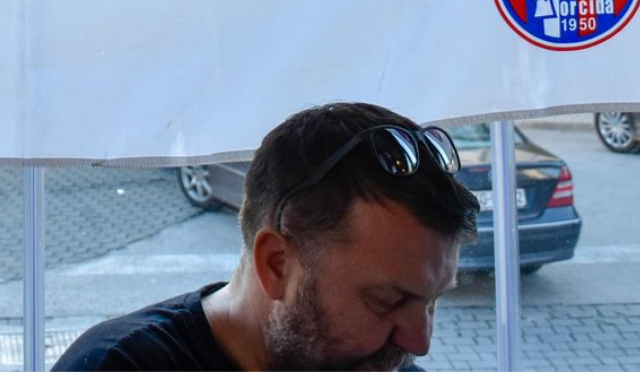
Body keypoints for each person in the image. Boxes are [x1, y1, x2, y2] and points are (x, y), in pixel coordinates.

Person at [53, 103, 478, 372]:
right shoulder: (119, 366)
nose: (420, 343)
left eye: (432, 301)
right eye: (386, 301)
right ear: (277, 264)